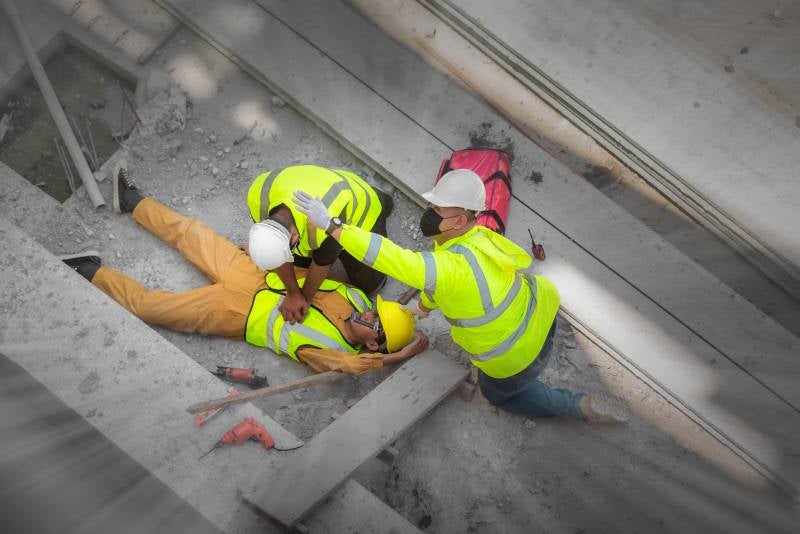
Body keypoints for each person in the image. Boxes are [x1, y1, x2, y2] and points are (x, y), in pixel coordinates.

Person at [293, 169, 629, 421]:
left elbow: (395, 259)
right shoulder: (479, 238)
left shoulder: (449, 266)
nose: (428, 211)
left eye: (436, 209)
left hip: (515, 358)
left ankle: (578, 406)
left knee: (498, 394)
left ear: (458, 219)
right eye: (432, 203)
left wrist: (334, 227)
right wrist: (423, 307)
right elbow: (453, 286)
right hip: (542, 316)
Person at [60, 165, 428, 375]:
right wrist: (263, 257)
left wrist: (400, 355)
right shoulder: (356, 298)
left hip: (239, 313)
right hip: (255, 275)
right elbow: (308, 271)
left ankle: (89, 271)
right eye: (376, 312)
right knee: (191, 234)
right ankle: (132, 201)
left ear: (372, 344)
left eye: (374, 320)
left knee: (152, 308)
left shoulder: (333, 350)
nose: (369, 311)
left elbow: (355, 365)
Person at [246, 164, 394, 325]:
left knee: (369, 285)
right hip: (320, 187)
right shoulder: (258, 196)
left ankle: (380, 196)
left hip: (358, 212)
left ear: (294, 238)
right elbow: (275, 245)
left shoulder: (326, 218)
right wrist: (293, 292)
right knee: (300, 264)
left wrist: (305, 298)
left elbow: (322, 263)